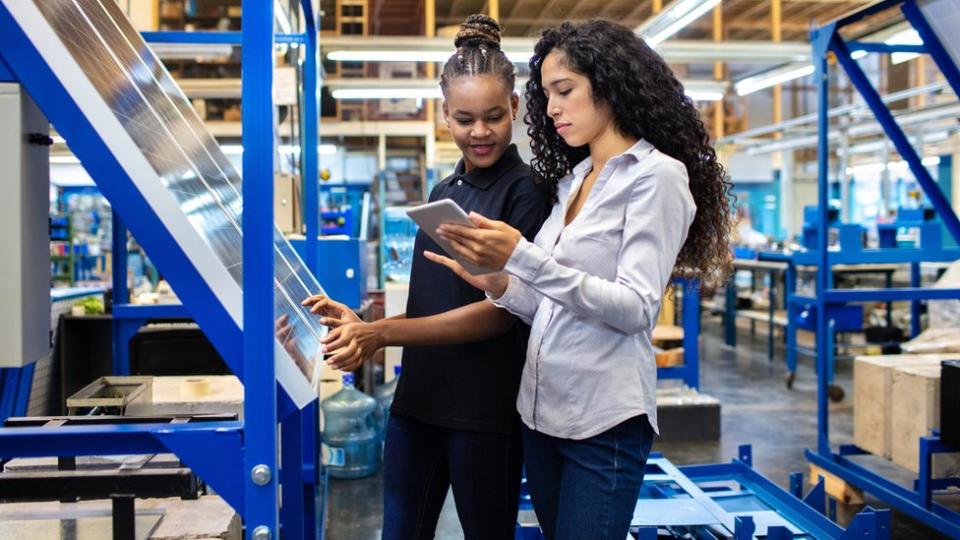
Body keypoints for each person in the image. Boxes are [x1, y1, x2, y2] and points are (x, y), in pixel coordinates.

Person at [423, 19, 734, 540]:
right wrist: (494, 279)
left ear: (609, 86)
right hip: (541, 416)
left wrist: (521, 255)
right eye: (545, 95)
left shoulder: (656, 178)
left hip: (603, 422)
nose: (551, 109)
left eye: (564, 91)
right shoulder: (573, 182)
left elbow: (635, 307)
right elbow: (542, 298)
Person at [304, 14, 552, 540]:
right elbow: (434, 301)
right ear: (444, 115)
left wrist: (381, 335)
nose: (479, 132)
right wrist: (363, 321)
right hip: (416, 403)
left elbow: (500, 314)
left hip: (483, 414)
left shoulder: (526, 193)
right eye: (464, 119)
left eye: (492, 116)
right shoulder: (446, 190)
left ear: (515, 108)